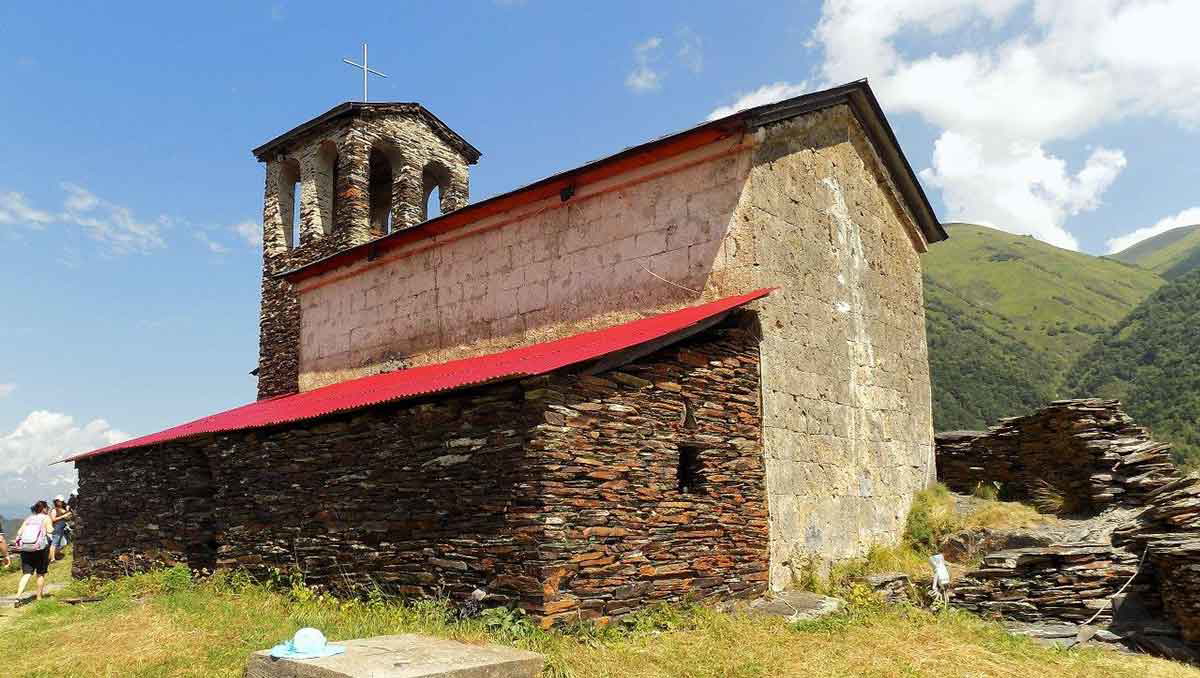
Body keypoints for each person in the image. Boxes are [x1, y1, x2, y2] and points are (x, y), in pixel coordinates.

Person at [15, 501, 53, 601]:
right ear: (44, 508)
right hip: (40, 549)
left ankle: (18, 596)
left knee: (26, 574)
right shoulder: (46, 518)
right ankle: (39, 597)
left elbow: (19, 532)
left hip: (26, 548)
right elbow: (50, 530)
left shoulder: (29, 518)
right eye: (47, 507)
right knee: (40, 573)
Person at [49, 495, 73, 562]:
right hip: (56, 528)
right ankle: (52, 559)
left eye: (61, 501)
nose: (60, 503)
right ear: (56, 501)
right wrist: (63, 516)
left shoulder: (62, 508)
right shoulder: (54, 510)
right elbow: (53, 519)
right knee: (54, 543)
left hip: (61, 527)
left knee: (58, 543)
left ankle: (56, 555)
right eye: (58, 501)